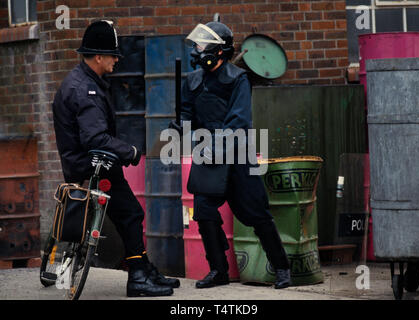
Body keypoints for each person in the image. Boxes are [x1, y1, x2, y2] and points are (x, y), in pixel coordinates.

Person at [52, 20, 179, 297]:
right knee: (131, 214)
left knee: (128, 214)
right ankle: (138, 277)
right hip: (93, 165)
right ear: (98, 56)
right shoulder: (86, 90)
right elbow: (95, 138)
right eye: (113, 55)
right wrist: (130, 152)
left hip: (92, 163)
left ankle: (143, 268)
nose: (116, 60)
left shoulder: (81, 80)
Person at [170, 21, 292, 289]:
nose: (197, 49)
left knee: (257, 214)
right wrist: (182, 127)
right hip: (208, 155)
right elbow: (187, 114)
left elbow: (237, 122)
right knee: (203, 211)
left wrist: (213, 149)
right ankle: (218, 271)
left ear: (218, 51)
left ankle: (282, 268)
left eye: (202, 45)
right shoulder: (191, 81)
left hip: (237, 156)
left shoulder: (238, 79)